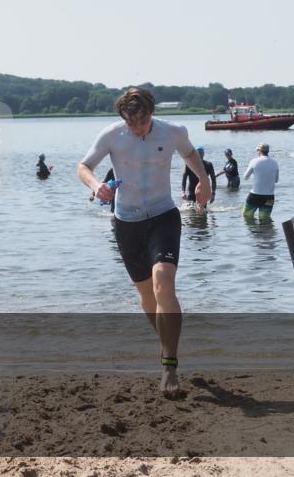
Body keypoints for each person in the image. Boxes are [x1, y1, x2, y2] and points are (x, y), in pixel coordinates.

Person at [78, 87, 210, 398]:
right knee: (146, 293)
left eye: (142, 120)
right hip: (126, 221)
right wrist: (97, 185)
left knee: (163, 282)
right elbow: (83, 167)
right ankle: (167, 344)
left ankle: (169, 365)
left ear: (151, 112)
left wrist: (203, 180)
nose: (137, 127)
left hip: (163, 215)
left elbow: (190, 154)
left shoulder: (172, 131)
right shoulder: (112, 135)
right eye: (130, 122)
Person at [243, 143, 279, 221]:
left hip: (255, 195)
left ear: (259, 151)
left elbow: (245, 177)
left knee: (246, 216)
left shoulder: (254, 161)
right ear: (268, 151)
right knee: (265, 219)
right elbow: (276, 180)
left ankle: (254, 232)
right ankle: (264, 232)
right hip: (269, 197)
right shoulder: (275, 163)